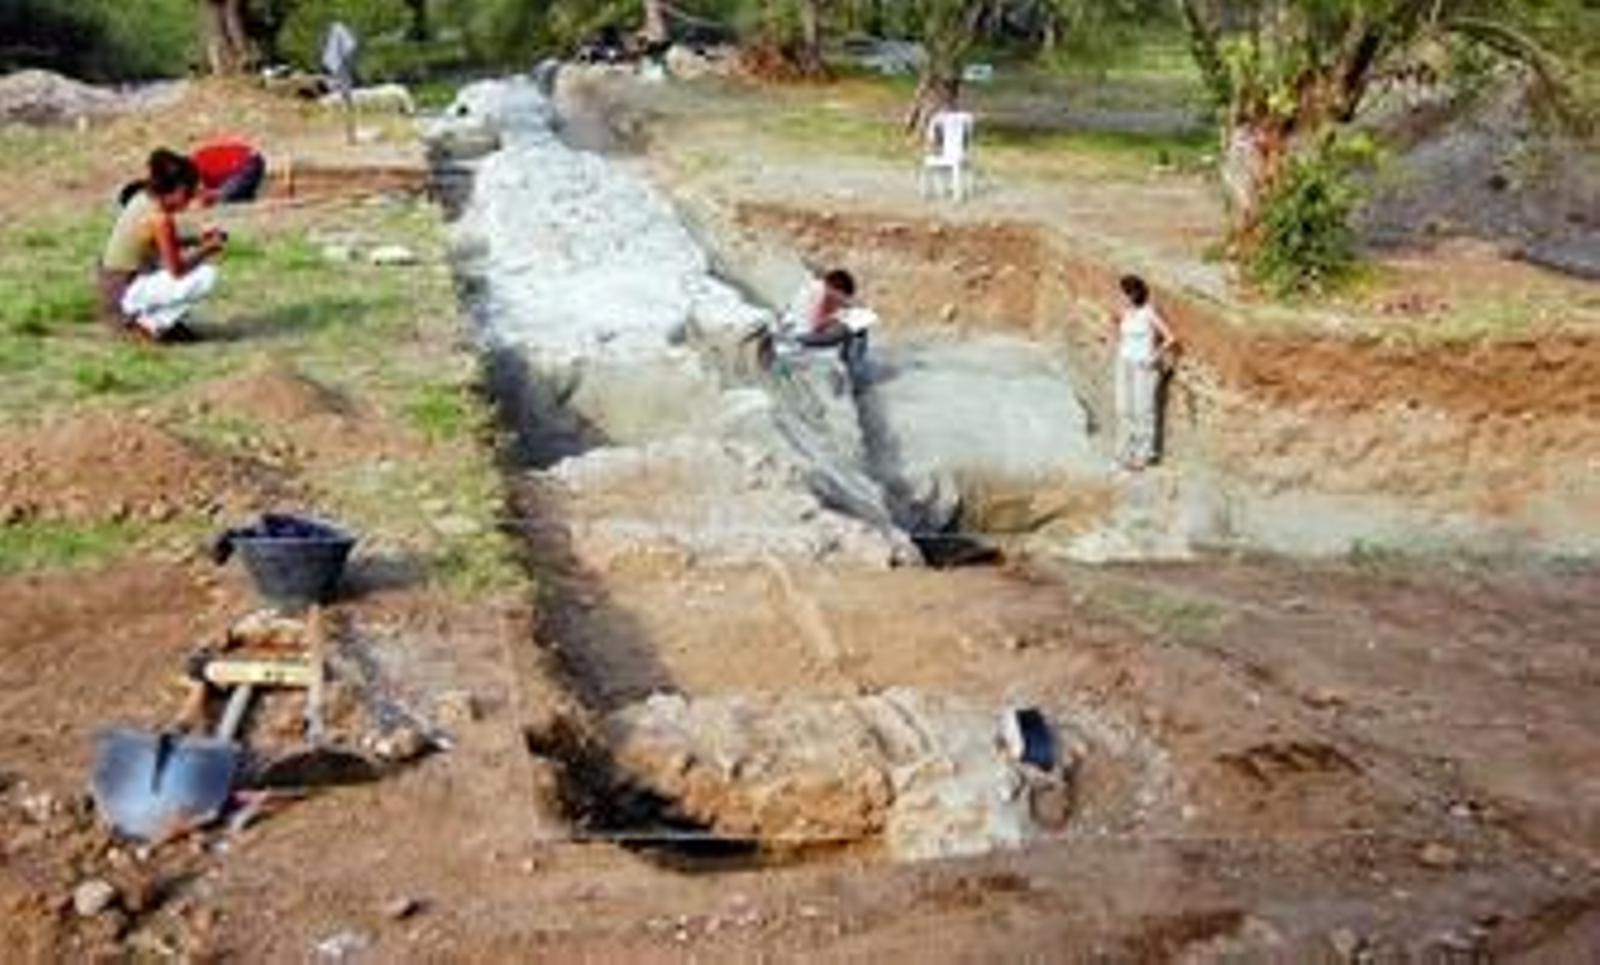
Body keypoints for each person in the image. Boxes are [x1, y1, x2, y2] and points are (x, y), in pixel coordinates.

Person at [98, 148, 227, 342]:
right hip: (124, 294)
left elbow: (159, 240)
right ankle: (148, 326)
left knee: (161, 266)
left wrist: (197, 239)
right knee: (206, 276)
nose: (191, 199)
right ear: (180, 189)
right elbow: (177, 270)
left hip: (112, 287)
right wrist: (207, 249)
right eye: (190, 193)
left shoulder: (142, 198)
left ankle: (154, 322)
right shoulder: (160, 219)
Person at [1111, 274, 1178, 470]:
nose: (1121, 296)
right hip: (1124, 364)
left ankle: (1142, 456)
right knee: (1123, 409)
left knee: (1143, 411)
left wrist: (1154, 356)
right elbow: (1120, 331)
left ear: (1134, 294)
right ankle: (1123, 453)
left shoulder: (1149, 313)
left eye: (1124, 293)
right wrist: (1121, 348)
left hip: (1144, 368)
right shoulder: (1124, 312)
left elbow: (1171, 338)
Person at [781, 268, 876, 373]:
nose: (842, 300)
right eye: (842, 296)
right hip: (799, 338)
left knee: (857, 328)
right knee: (847, 330)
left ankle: (852, 365)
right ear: (835, 289)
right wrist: (836, 317)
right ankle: (850, 367)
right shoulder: (818, 292)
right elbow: (814, 324)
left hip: (797, 334)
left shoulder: (822, 290)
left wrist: (842, 313)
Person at [190, 137, 267, 204]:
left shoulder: (194, 166)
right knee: (236, 195)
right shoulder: (197, 158)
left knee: (222, 197)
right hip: (251, 160)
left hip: (247, 164)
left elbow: (204, 194)